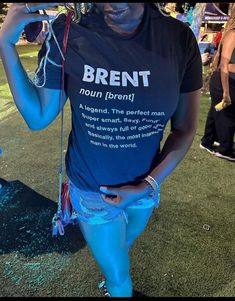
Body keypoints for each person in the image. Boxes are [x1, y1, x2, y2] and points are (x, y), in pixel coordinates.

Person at [0, 3, 202, 297]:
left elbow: (184, 128)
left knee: (119, 249)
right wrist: (6, 43)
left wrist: (148, 185)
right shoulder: (70, 30)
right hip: (94, 192)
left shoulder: (179, 39)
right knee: (120, 277)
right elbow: (38, 115)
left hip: (145, 189)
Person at [200, 23, 235, 161]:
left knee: (217, 111)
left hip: (229, 81)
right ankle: (224, 149)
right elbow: (224, 64)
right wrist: (226, 92)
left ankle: (208, 141)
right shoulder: (232, 34)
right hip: (225, 80)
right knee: (228, 114)